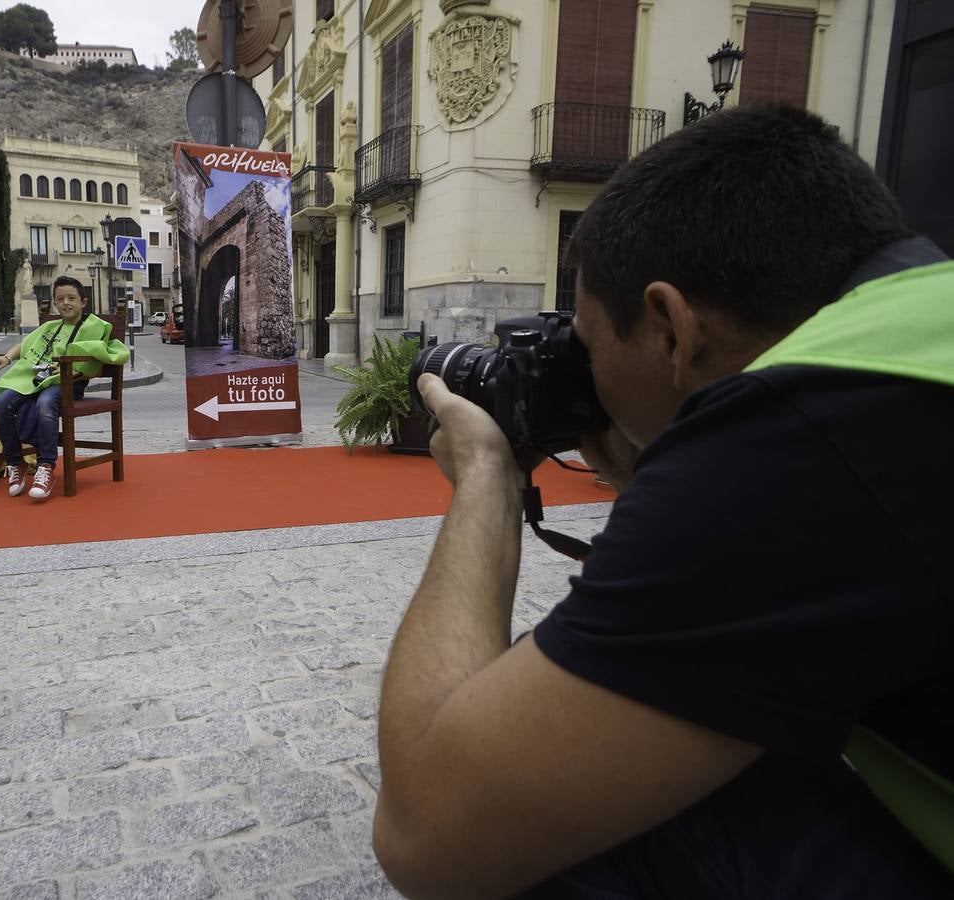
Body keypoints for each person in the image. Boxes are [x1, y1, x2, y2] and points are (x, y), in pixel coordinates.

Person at [372, 104, 954, 899]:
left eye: (589, 344)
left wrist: (485, 477)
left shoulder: (800, 435)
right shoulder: (910, 339)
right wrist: (661, 476)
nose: (583, 372)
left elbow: (425, 830)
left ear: (673, 329)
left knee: (565, 802)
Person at [0, 276, 128, 501]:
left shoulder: (94, 326)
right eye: (60, 299)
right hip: (35, 380)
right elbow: (26, 345)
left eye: (71, 298)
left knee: (45, 402)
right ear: (55, 303)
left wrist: (77, 371)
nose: (66, 303)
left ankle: (46, 466)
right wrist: (7, 358)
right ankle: (16, 462)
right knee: (0, 403)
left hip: (68, 384)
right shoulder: (50, 326)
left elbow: (101, 355)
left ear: (83, 302)